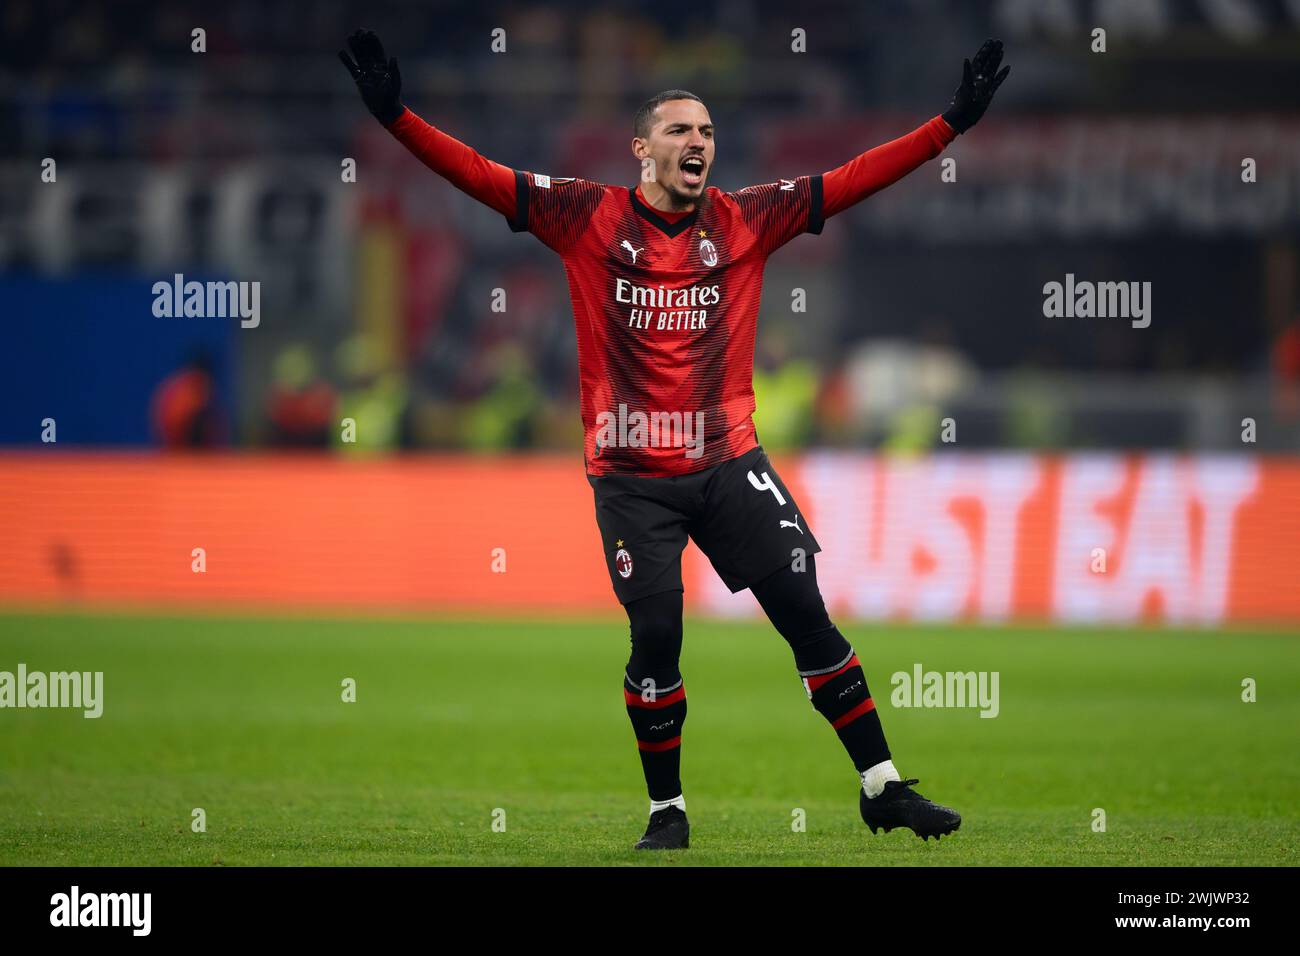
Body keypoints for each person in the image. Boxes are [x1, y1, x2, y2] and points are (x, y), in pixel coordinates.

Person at [340, 29, 1009, 849]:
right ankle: (667, 810)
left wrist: (950, 124)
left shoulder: (747, 218)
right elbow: (478, 175)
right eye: (680, 131)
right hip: (630, 474)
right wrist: (397, 116)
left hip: (728, 461)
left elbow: (853, 179)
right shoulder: (581, 213)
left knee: (805, 610)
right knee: (657, 632)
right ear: (642, 148)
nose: (699, 144)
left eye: (707, 133)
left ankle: (882, 786)